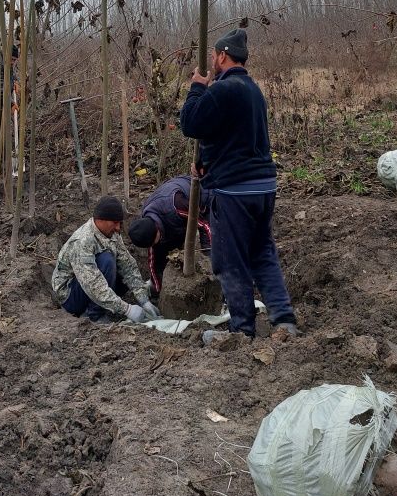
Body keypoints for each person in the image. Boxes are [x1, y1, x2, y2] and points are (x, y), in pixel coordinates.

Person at [179, 28, 297, 342]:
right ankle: (284, 321)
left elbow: (190, 124)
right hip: (263, 186)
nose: (212, 61)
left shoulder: (223, 90)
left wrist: (196, 88)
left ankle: (241, 331)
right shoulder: (252, 91)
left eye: (214, 56)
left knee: (229, 260)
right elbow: (232, 137)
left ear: (222, 56)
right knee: (261, 253)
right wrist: (206, 162)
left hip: (235, 191)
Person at [52, 195, 161, 324]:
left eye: (119, 223)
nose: (118, 228)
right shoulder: (82, 241)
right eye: (114, 223)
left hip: (89, 286)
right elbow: (93, 284)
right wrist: (127, 309)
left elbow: (128, 265)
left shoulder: (112, 234)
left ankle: (102, 306)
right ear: (100, 220)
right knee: (107, 261)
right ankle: (94, 315)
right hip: (70, 296)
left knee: (119, 268)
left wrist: (144, 300)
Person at [128, 173, 212, 296]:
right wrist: (156, 289)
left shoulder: (176, 205)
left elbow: (205, 225)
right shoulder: (148, 223)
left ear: (156, 230)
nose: (154, 244)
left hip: (202, 196)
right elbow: (153, 260)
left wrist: (210, 257)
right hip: (172, 216)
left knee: (211, 246)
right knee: (164, 247)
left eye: (154, 241)